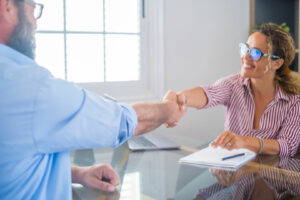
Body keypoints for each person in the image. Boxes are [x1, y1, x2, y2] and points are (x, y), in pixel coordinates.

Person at [0, 0, 186, 199]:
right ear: (8, 6)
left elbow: (11, 158)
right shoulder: (32, 88)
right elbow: (126, 121)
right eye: (33, 9)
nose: (36, 23)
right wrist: (170, 109)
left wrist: (75, 173)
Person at [177, 23, 300, 157]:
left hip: (272, 174)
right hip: (234, 173)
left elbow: (288, 146)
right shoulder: (233, 84)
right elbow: (208, 94)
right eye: (245, 49)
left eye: (255, 53)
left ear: (277, 63)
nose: (245, 57)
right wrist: (181, 98)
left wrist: (245, 141)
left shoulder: (294, 100)